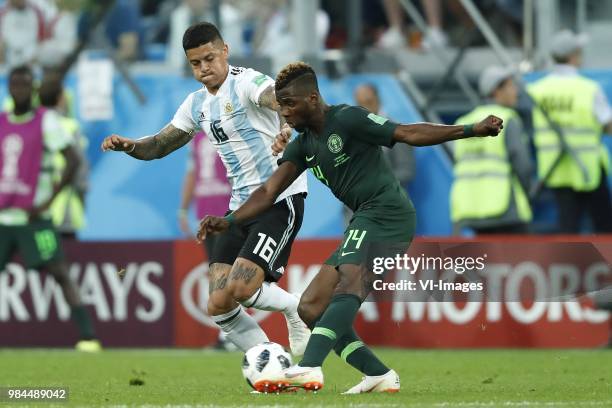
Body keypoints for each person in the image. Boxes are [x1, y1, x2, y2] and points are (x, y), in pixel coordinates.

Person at [197, 61, 503, 392]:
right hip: (364, 218)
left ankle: (310, 367)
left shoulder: (347, 118)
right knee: (310, 306)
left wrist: (471, 129)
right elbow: (269, 191)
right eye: (280, 105)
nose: (283, 113)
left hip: (388, 213)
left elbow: (406, 132)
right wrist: (228, 220)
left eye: (289, 104)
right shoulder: (302, 145)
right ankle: (378, 374)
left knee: (348, 286)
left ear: (312, 98)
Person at [101, 22, 310, 355]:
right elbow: (158, 145)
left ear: (225, 50)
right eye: (195, 63)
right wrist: (129, 146)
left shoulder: (247, 82)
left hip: (279, 198)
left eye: (210, 59)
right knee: (219, 303)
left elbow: (276, 97)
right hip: (240, 207)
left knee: (242, 287)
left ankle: (294, 308)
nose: (204, 69)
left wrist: (285, 126)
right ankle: (271, 362)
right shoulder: (196, 103)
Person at [0, 66, 100, 352]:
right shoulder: (2, 122)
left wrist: (48, 200)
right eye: (14, 84)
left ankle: (88, 337)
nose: (18, 90)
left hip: (35, 218)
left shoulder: (47, 122)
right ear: (8, 88)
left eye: (24, 85)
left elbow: (73, 160)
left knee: (59, 271)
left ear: (32, 90)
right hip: (3, 217)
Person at [528, 30, 612, 233]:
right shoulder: (588, 88)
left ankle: (567, 264)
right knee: (604, 227)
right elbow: (608, 125)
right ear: (573, 55)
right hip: (588, 166)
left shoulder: (536, 89)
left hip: (555, 167)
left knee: (568, 226)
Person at [451, 66, 533, 234]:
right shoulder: (507, 119)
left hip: (468, 208)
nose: (515, 91)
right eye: (510, 86)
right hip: (504, 207)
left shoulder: (462, 121)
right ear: (496, 91)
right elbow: (522, 165)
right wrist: (527, 192)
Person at [178, 130, 235, 351]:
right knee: (217, 272)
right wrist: (183, 210)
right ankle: (226, 334)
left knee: (226, 271)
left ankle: (229, 334)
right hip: (206, 214)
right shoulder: (197, 138)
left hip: (228, 212)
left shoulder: (230, 132)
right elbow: (192, 174)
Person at [347, 83, 415, 225]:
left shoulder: (397, 131)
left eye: (369, 102)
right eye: (360, 104)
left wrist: (375, 183)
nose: (365, 108)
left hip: (389, 209)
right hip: (356, 211)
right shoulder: (351, 134)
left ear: (378, 100)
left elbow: (407, 171)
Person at [38, 71, 89, 240]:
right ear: (61, 98)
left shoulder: (33, 125)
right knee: (64, 260)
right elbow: (80, 168)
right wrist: (83, 193)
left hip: (36, 207)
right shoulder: (70, 126)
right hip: (65, 208)